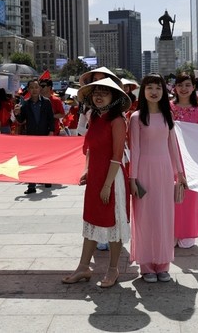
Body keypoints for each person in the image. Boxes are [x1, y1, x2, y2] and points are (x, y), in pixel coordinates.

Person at [62, 78, 131, 288]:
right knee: (91, 220)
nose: (99, 96)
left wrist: (107, 184)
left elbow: (117, 156)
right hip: (95, 176)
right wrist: (86, 169)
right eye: (96, 92)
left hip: (112, 176)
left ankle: (113, 268)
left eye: (105, 93)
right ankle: (83, 266)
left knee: (113, 223)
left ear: (114, 97)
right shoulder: (93, 117)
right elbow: (90, 148)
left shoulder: (117, 120)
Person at [129, 73, 187, 283]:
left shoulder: (167, 116)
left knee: (164, 217)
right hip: (143, 171)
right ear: (143, 91)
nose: (154, 92)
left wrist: (180, 174)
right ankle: (146, 265)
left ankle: (163, 264)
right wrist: (132, 179)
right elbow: (134, 150)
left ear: (164, 91)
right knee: (145, 218)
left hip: (164, 172)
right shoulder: (136, 118)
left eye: (158, 88)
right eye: (150, 88)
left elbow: (173, 147)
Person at [170, 73, 198, 248]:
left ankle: (187, 232)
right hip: (169, 156)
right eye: (180, 85)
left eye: (187, 85)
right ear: (174, 87)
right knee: (171, 195)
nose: (183, 89)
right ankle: (172, 231)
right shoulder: (168, 108)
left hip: (190, 159)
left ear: (193, 87)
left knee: (189, 195)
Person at [14, 78, 55, 194]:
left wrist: (51, 131)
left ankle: (46, 179)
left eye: (36, 87)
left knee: (45, 159)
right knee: (31, 161)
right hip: (31, 136)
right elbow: (21, 120)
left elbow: (50, 118)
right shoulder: (25, 104)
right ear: (29, 90)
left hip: (44, 135)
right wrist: (16, 113)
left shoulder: (46, 102)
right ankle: (31, 186)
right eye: (32, 87)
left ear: (40, 89)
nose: (34, 90)